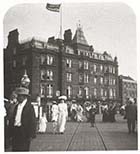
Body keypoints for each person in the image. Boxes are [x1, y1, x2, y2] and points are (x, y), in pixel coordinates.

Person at [9, 87, 36, 151]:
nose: (17, 98)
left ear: (24, 97)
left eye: (19, 96)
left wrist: (31, 135)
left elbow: (32, 121)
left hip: (24, 132)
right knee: (15, 148)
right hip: (15, 130)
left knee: (23, 149)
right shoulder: (17, 106)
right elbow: (13, 118)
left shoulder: (29, 107)